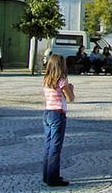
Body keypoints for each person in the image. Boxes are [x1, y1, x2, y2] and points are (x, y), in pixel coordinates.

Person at [42, 54, 75, 187]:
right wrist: (71, 88)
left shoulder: (46, 79)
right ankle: (53, 178)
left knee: (48, 146)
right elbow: (70, 98)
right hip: (58, 114)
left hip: (47, 113)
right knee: (56, 147)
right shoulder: (61, 81)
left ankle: (47, 175)